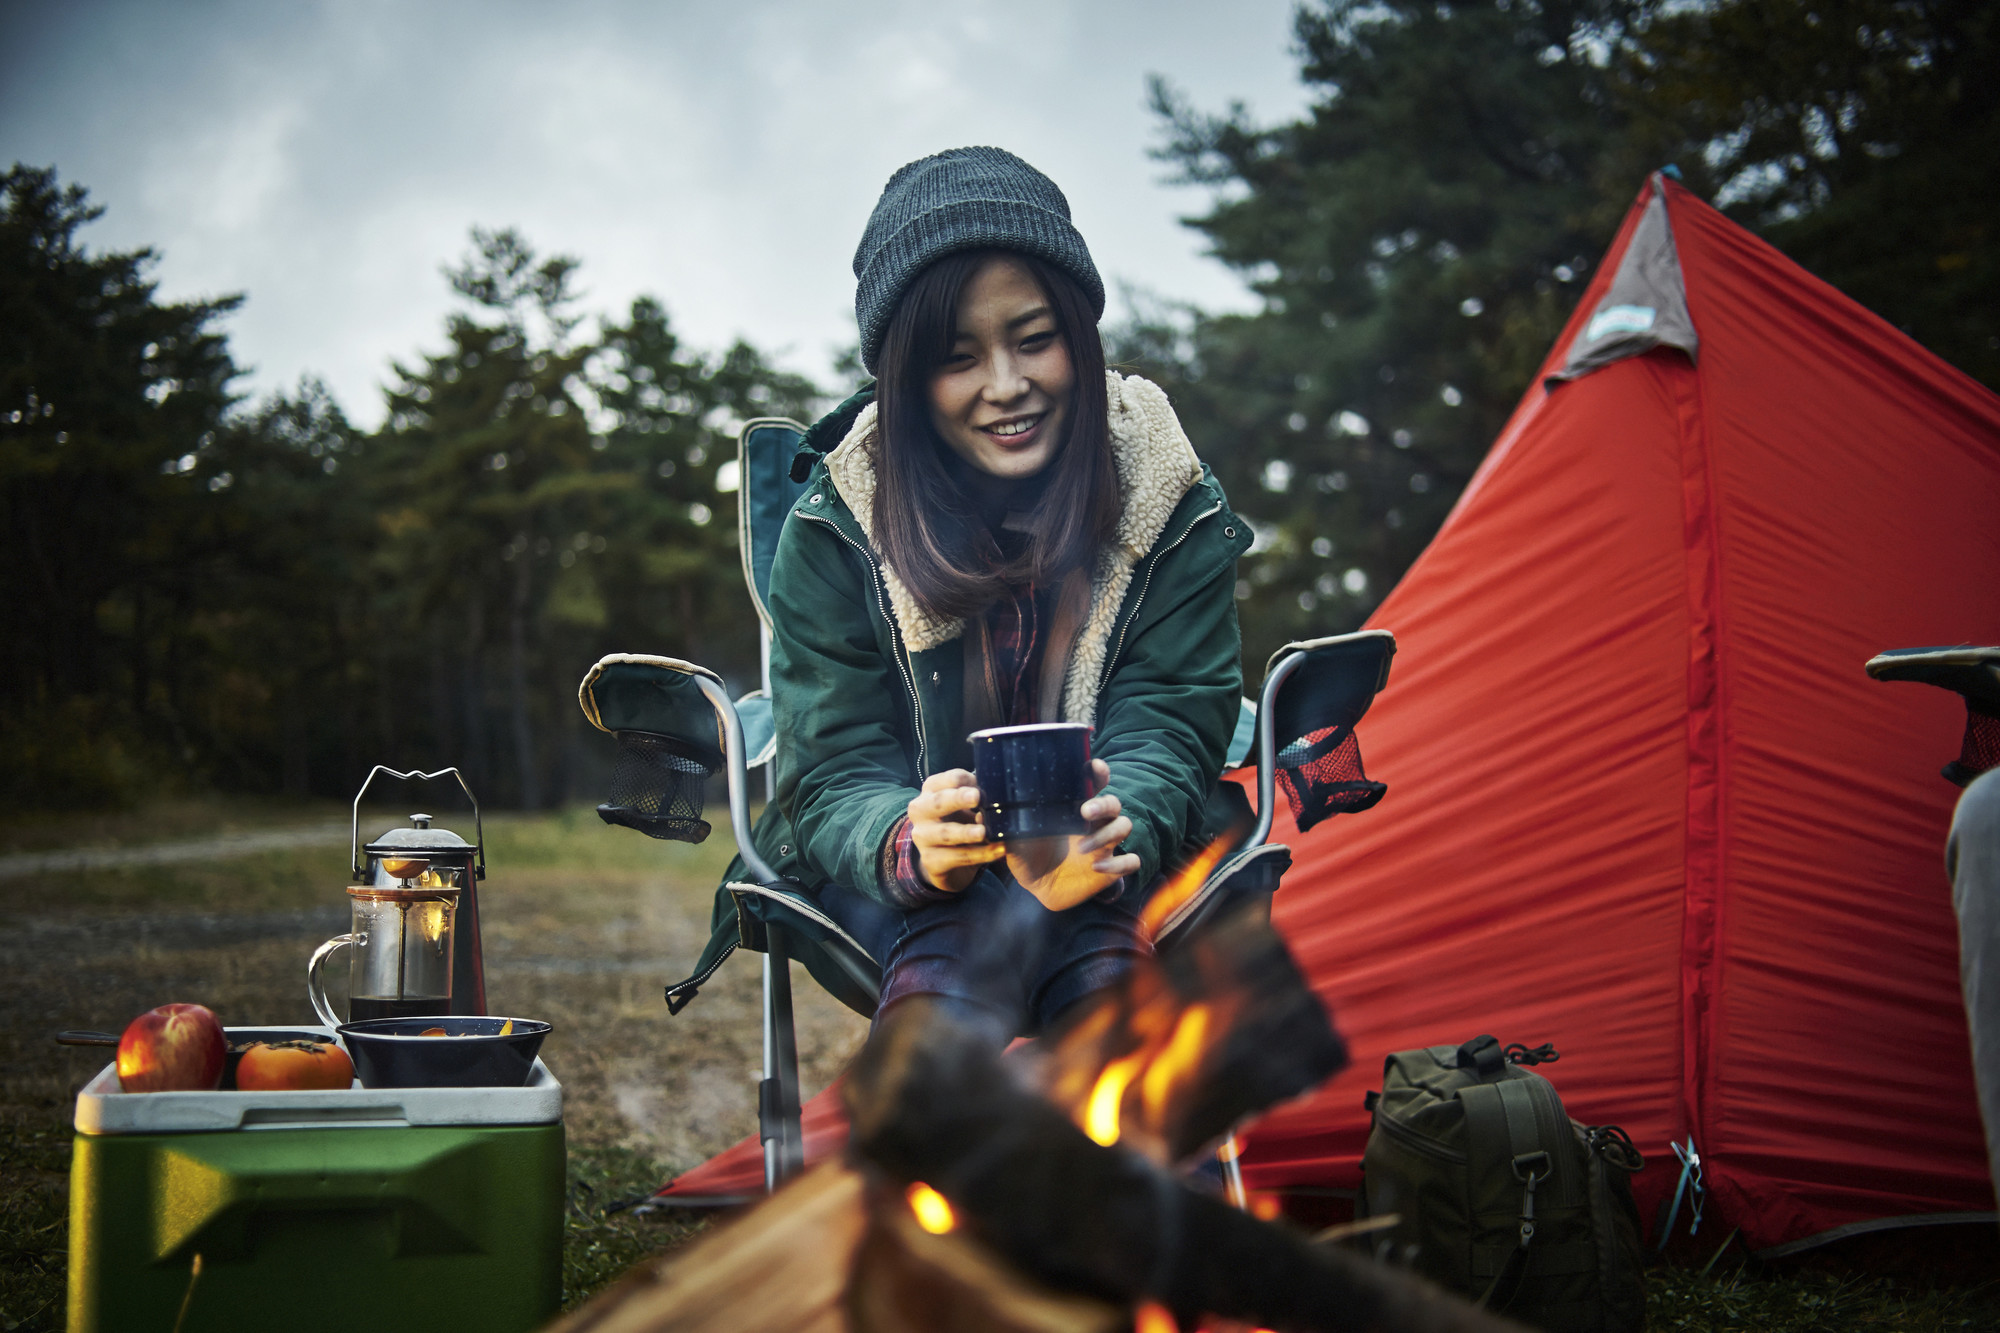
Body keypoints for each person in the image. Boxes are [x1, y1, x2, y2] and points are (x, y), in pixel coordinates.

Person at [749, 146, 1252, 1040]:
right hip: (904, 883)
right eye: (958, 357)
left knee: (1094, 962)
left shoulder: (1166, 495)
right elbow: (831, 764)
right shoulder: (840, 525)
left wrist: (1104, 825)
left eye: (1034, 339)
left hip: (1110, 861)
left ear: (1080, 337)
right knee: (959, 935)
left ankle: (1092, 1142)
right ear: (905, 379)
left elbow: (1172, 714)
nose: (1007, 386)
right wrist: (909, 839)